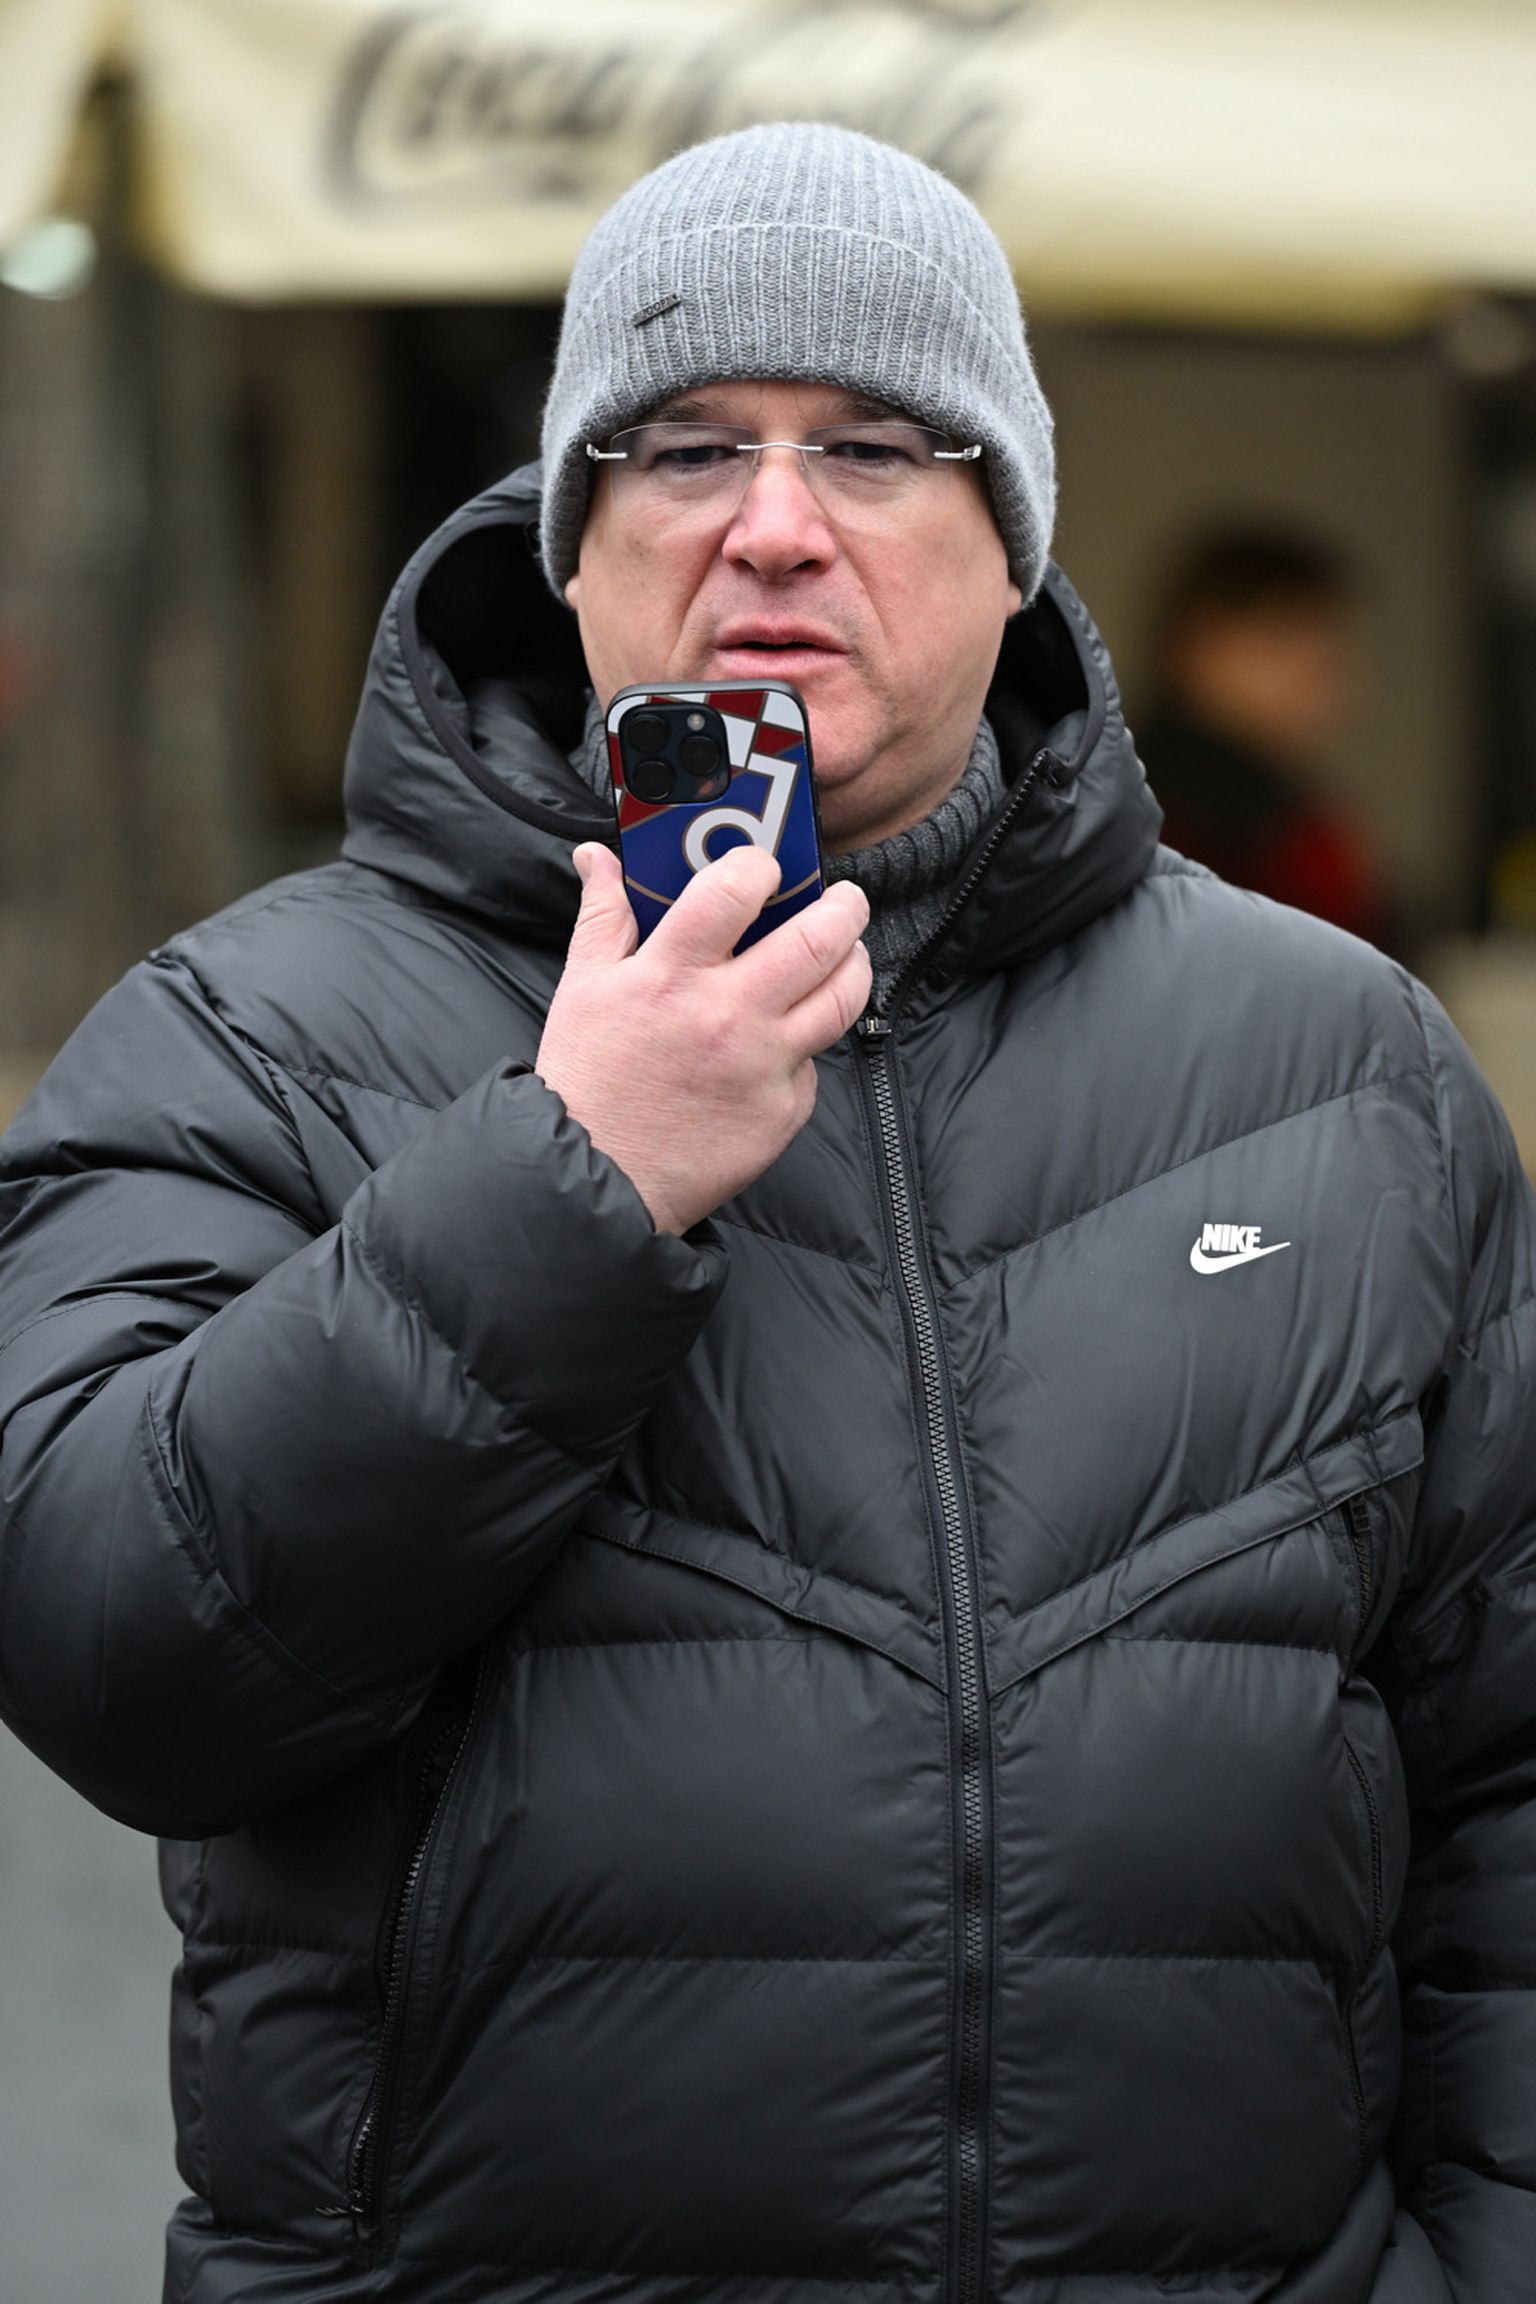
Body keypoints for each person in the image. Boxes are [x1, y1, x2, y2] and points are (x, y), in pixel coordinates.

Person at [0, 122, 1532, 2304]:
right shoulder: (251, 1030)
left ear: (1014, 546)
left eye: (880, 447)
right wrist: (569, 1181)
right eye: (687, 445)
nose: (778, 522)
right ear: (575, 542)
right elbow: (115, 1661)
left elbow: (1506, 1782)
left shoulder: (1339, 1061)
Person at [1136, 527, 1392, 944]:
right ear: (1196, 644)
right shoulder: (1162, 809)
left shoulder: (1283, 806)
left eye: (1326, 643)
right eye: (1281, 639)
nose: (1313, 668)